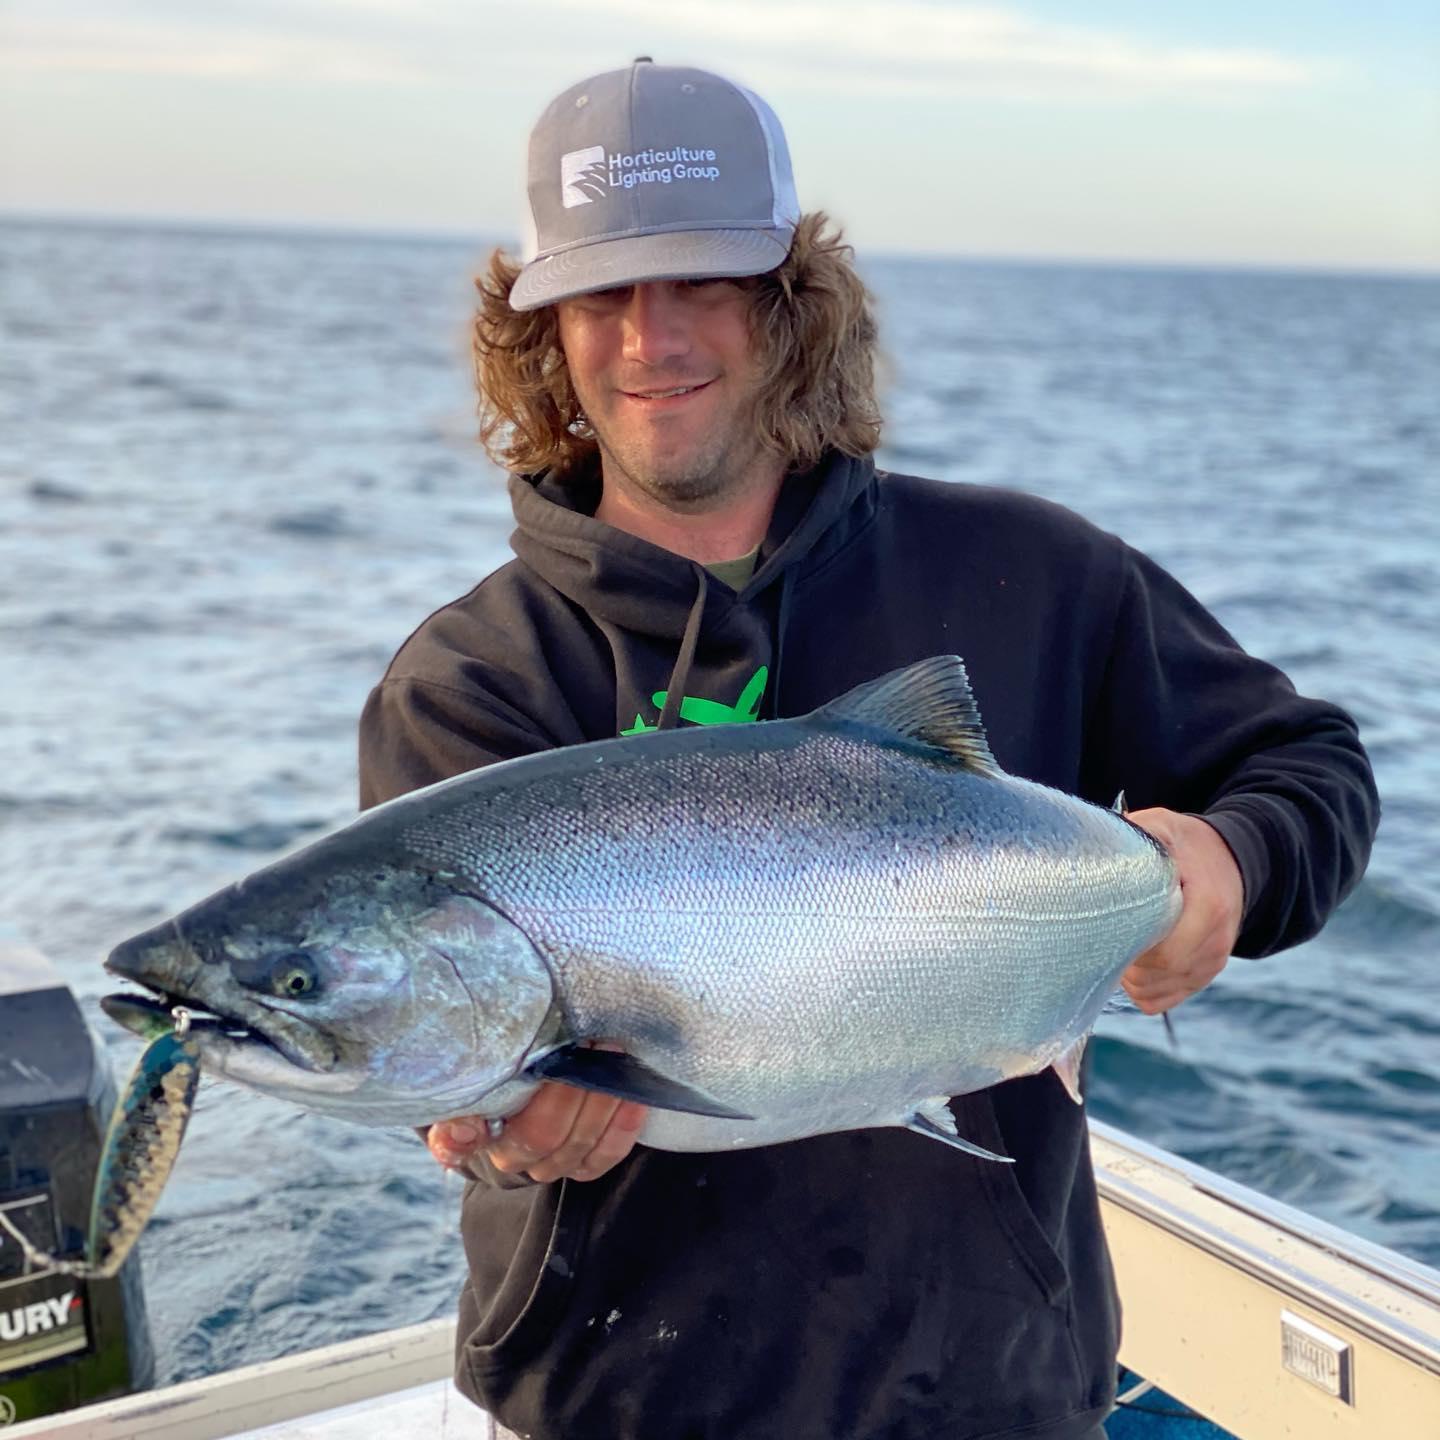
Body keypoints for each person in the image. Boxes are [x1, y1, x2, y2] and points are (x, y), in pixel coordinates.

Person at [358, 59, 1378, 1440]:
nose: (651, 337)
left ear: (790, 305)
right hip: (622, 1407)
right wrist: (492, 1121)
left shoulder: (1034, 573)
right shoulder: (472, 682)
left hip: (996, 1396)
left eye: (703, 281)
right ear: (542, 330)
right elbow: (452, 1043)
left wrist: (1228, 863)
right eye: (601, 292)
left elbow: (1308, 768)